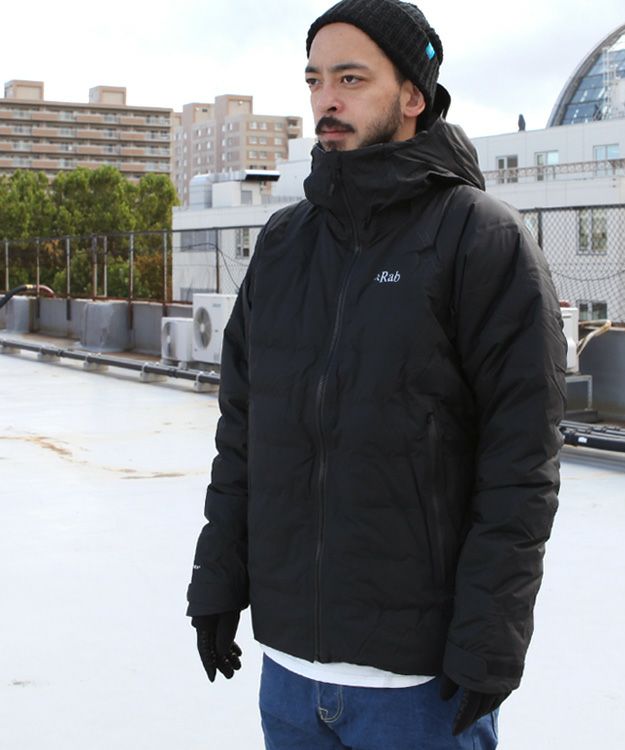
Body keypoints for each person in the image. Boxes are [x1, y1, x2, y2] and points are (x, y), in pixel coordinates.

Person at [187, 1, 567, 748]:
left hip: (419, 689)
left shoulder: (479, 238)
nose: (326, 99)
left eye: (351, 79)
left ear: (413, 95)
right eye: (315, 80)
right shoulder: (284, 243)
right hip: (289, 674)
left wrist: (491, 637)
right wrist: (219, 581)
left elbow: (521, 463)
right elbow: (245, 433)